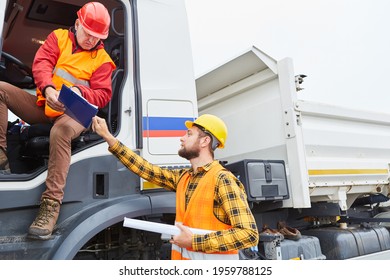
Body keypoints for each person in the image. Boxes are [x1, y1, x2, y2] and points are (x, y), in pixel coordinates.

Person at [0, 2, 116, 240]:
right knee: (0, 90)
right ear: (77, 24)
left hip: (75, 114)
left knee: (60, 132)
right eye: (88, 33)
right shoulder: (58, 38)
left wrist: (80, 93)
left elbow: (103, 94)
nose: (91, 40)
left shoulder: (102, 60)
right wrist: (49, 88)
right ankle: (2, 160)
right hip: (48, 104)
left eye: (97, 37)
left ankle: (50, 207)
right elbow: (42, 63)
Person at [92, 114, 259, 260]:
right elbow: (148, 170)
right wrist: (109, 137)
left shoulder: (223, 180)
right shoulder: (184, 178)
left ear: (205, 141)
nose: (182, 138)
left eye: (189, 134)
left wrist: (194, 242)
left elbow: (248, 234)